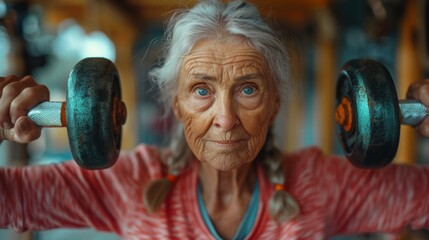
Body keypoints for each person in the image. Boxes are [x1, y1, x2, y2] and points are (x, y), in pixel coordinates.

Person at [1, 0, 429, 239]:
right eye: (202, 90)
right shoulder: (130, 183)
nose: (225, 119)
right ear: (176, 104)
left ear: (275, 103)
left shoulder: (320, 184)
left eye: (247, 89)